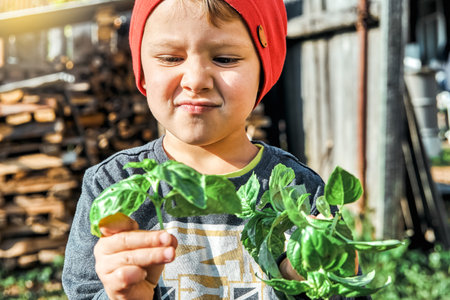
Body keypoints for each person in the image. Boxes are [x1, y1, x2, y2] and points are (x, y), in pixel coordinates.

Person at [62, 1, 360, 299]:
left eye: (226, 59)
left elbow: (346, 290)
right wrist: (123, 295)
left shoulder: (297, 190)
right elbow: (84, 292)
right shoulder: (111, 183)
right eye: (169, 58)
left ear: (263, 71)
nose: (195, 80)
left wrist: (305, 284)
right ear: (141, 70)